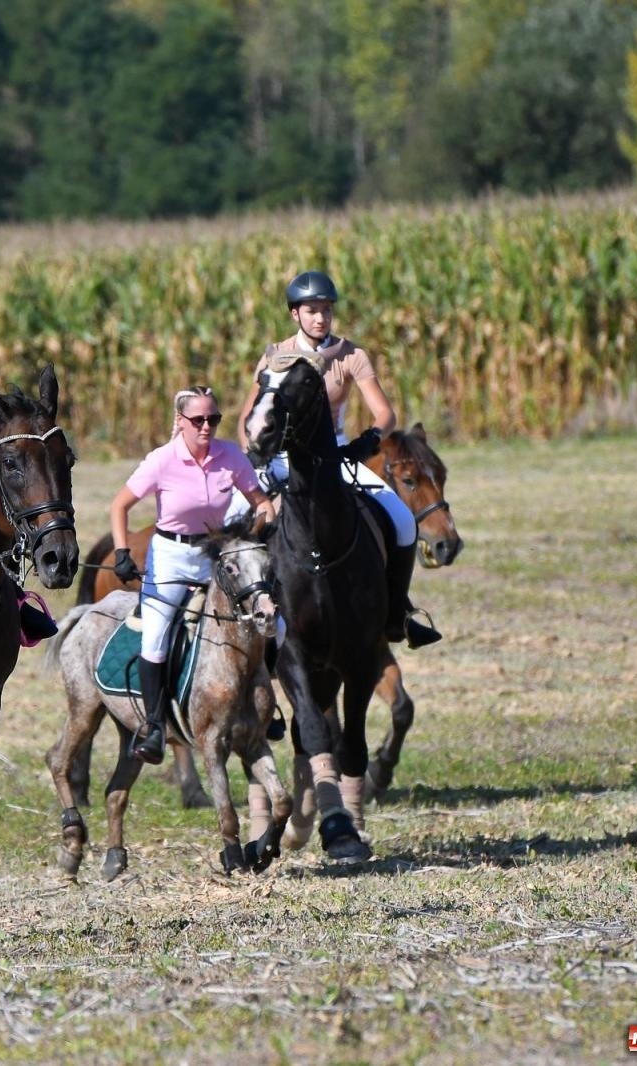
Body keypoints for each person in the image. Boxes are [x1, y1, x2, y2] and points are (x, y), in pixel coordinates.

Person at [236, 270, 441, 649]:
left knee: (402, 523)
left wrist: (368, 442)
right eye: (312, 310)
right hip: (278, 461)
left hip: (337, 458)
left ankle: (398, 613)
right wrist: (256, 458)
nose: (321, 318)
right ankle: (225, 614)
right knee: (234, 524)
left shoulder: (351, 356)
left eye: (326, 310)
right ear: (295, 314)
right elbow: (247, 419)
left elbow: (385, 414)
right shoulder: (275, 358)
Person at [108, 386, 270, 764]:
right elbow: (120, 505)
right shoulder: (161, 460)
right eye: (198, 420)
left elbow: (260, 502)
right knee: (158, 631)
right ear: (180, 421)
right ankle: (153, 726)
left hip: (218, 553)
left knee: (261, 619)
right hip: (171, 556)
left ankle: (263, 709)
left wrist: (262, 533)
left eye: (213, 419)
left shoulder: (230, 455)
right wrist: (121, 552)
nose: (207, 427)